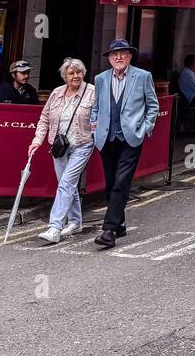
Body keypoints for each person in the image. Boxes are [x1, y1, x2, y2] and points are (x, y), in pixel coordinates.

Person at [89, 39, 160, 249]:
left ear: (129, 56)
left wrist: (145, 128)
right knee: (111, 184)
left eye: (123, 53)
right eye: (114, 54)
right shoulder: (100, 79)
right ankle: (119, 224)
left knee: (121, 182)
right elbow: (96, 108)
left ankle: (109, 230)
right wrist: (94, 130)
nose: (118, 57)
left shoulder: (142, 76)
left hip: (131, 138)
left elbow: (152, 105)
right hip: (106, 138)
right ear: (109, 58)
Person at [30, 58, 96, 244]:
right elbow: (44, 119)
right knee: (67, 184)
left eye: (79, 72)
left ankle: (55, 227)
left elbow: (100, 118)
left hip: (82, 145)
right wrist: (37, 141)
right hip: (59, 147)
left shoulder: (92, 92)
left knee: (66, 183)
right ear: (64, 76)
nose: (76, 76)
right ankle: (75, 222)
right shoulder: (57, 93)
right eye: (71, 73)